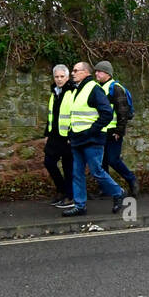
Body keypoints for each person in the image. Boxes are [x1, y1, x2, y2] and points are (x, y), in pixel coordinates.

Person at [59, 61, 126, 216]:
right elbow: (75, 115)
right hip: (78, 140)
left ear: (85, 73)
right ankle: (80, 205)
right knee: (77, 173)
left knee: (96, 171)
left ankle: (118, 192)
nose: (73, 73)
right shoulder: (77, 90)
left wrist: (91, 131)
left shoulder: (93, 89)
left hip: (92, 140)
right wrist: (71, 134)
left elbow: (107, 113)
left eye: (76, 70)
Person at [95, 60, 139, 196]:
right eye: (96, 71)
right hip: (102, 130)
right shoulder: (98, 87)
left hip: (113, 131)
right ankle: (105, 188)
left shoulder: (115, 88)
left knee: (113, 160)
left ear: (107, 73)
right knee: (102, 161)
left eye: (99, 71)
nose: (96, 73)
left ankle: (132, 180)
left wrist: (119, 131)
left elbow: (123, 111)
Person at [43, 64, 75, 208]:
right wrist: (47, 133)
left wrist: (72, 134)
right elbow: (51, 115)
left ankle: (70, 196)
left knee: (68, 167)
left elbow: (76, 114)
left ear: (67, 77)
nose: (59, 79)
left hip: (68, 136)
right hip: (55, 136)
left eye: (62, 76)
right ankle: (62, 190)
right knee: (49, 162)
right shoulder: (54, 92)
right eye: (57, 77)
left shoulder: (73, 91)